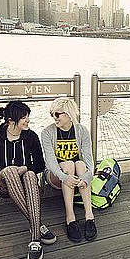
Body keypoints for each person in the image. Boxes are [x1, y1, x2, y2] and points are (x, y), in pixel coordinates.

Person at [0, 101, 56, 259]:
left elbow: (39, 165)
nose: (28, 120)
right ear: (11, 120)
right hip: (3, 185)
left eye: (28, 116)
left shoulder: (31, 137)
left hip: (26, 185)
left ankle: (35, 239)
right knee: (9, 171)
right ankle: (38, 224)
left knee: (29, 174)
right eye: (24, 117)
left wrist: (24, 168)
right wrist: (11, 170)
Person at [41, 98, 97, 243]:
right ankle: (70, 217)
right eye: (51, 113)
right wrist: (65, 177)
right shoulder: (47, 132)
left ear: (68, 114)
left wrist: (86, 177)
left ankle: (89, 215)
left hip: (76, 176)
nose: (53, 117)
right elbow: (51, 163)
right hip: (55, 175)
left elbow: (89, 159)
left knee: (80, 164)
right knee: (69, 165)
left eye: (57, 114)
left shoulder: (81, 130)